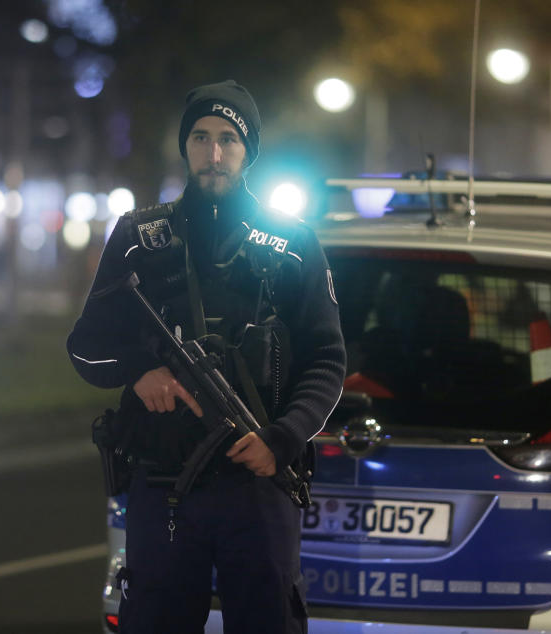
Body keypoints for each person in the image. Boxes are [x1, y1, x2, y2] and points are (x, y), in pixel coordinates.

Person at [67, 80, 346, 633]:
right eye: (200, 137)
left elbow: (327, 360)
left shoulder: (292, 243)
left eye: (228, 139)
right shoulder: (138, 237)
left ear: (249, 152)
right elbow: (85, 347)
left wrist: (283, 439)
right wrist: (137, 371)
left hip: (259, 482)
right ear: (185, 145)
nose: (213, 154)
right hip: (164, 485)